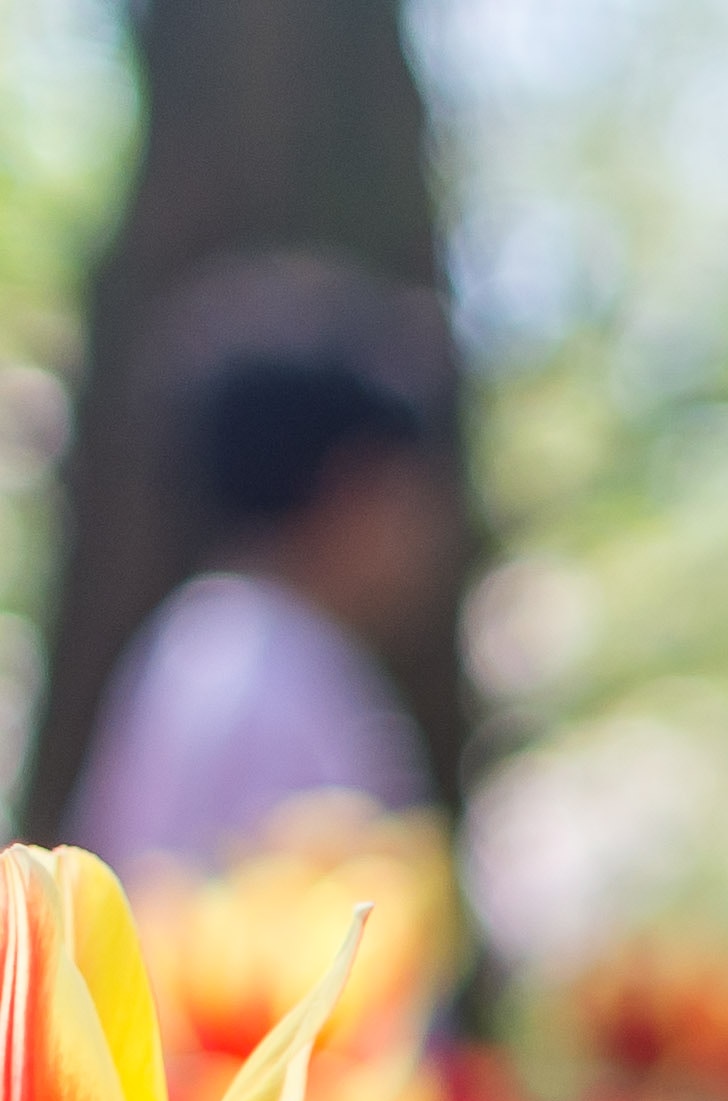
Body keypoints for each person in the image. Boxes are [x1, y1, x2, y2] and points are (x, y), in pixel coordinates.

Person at [66, 279, 454, 873]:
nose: (429, 527)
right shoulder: (285, 680)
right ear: (350, 488)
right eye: (406, 490)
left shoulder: (194, 645)